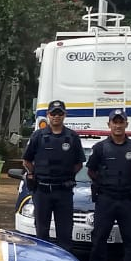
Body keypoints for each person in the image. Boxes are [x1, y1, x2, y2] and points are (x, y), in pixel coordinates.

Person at [86, 109, 131, 261]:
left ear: (127, 124)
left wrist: (130, 183)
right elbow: (91, 170)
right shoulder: (100, 148)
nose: (118, 125)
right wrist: (104, 184)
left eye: (121, 122)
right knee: (99, 238)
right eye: (115, 122)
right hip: (106, 199)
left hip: (128, 199)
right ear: (109, 124)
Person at [21, 99, 85, 251]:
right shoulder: (38, 136)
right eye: (53, 113)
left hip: (63, 191)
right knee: (42, 233)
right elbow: (26, 160)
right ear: (48, 115)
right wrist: (34, 174)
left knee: (65, 233)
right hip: (42, 191)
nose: (56, 116)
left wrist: (65, 176)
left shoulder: (72, 137)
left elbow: (79, 164)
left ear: (65, 115)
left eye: (60, 113)